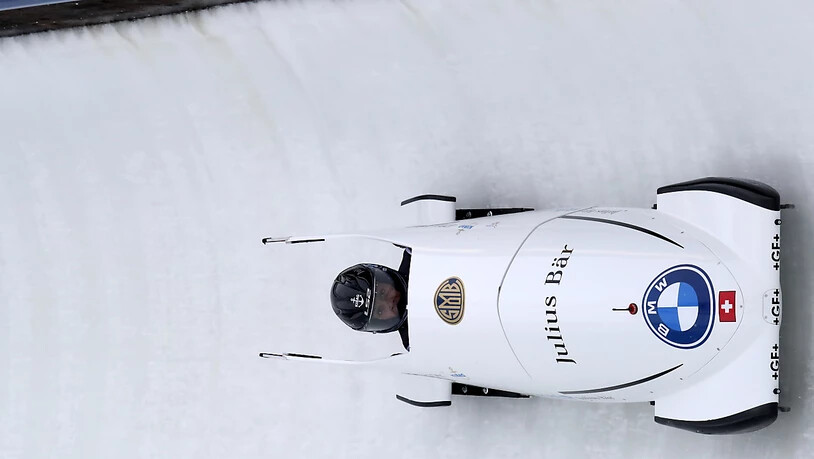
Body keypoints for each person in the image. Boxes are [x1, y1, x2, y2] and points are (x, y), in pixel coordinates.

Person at [330, 250, 411, 350]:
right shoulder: (413, 343)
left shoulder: (413, 256)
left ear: (385, 280)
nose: (389, 302)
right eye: (380, 311)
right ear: (380, 322)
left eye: (382, 292)